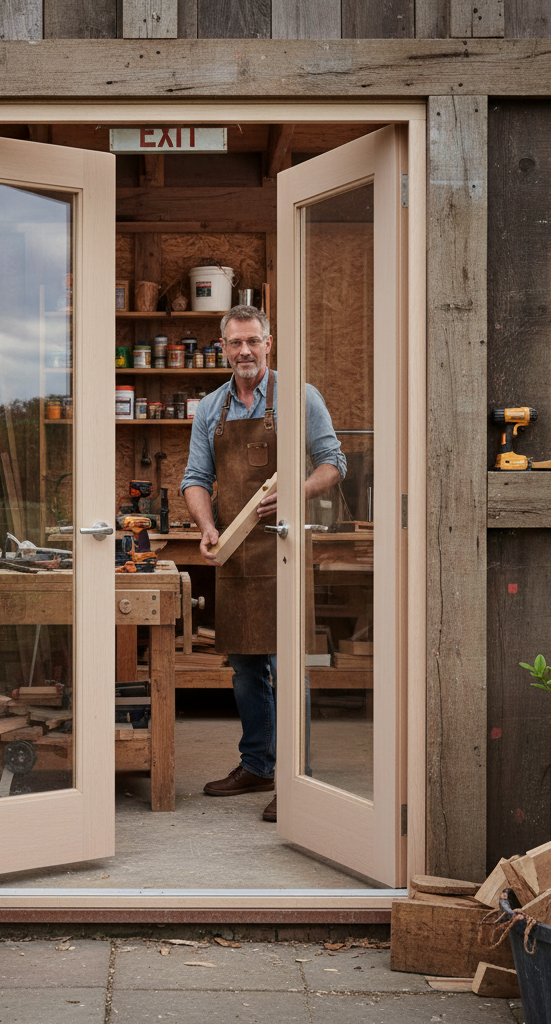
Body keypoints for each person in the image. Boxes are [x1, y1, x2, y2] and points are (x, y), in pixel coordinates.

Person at [180, 305, 346, 822]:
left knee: (286, 665)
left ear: (268, 343)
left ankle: (297, 780)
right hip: (237, 552)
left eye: (253, 341)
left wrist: (294, 492)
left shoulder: (299, 396)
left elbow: (333, 463)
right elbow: (194, 479)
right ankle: (257, 765)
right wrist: (208, 527)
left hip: (285, 547)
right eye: (235, 343)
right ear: (222, 347)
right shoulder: (211, 408)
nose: (245, 352)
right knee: (246, 667)